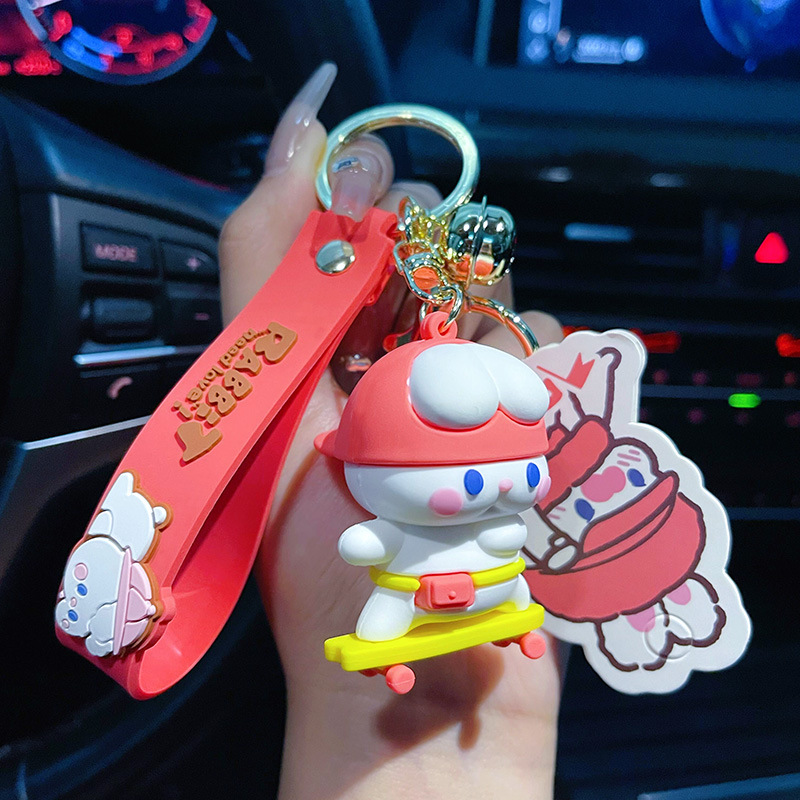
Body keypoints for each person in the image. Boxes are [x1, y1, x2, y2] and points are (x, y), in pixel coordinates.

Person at [219, 62, 565, 800]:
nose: (489, 488)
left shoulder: (499, 516)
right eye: (467, 475)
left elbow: (504, 527)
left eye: (516, 475)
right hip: (408, 592)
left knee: (499, 590)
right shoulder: (378, 501)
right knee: (386, 613)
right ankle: (396, 650)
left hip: (492, 591)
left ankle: (506, 622)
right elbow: (367, 542)